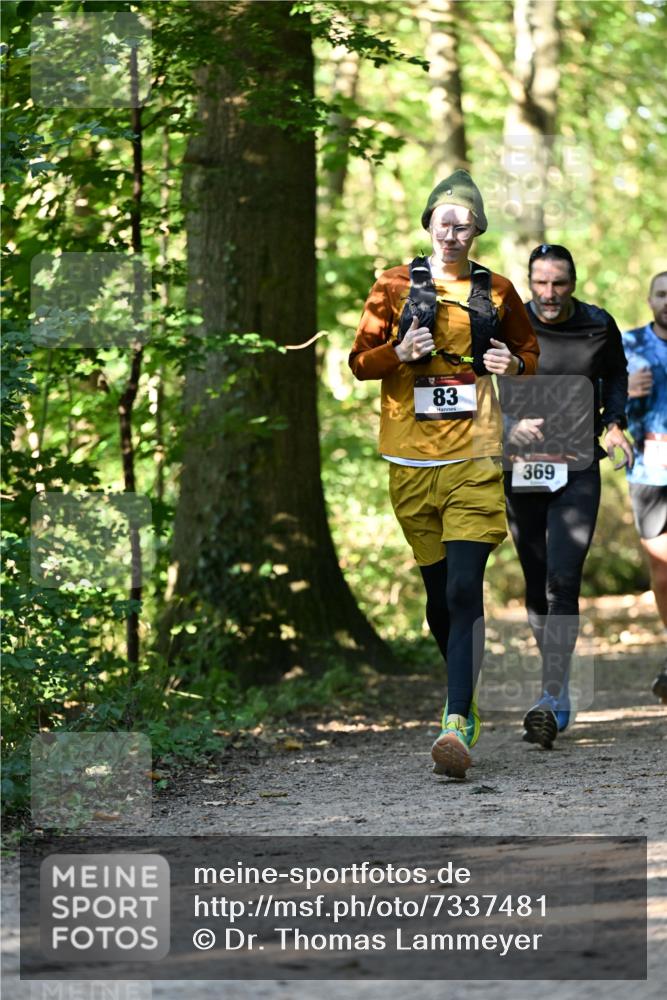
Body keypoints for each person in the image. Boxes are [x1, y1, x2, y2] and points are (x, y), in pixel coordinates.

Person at [349, 170, 539, 779]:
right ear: (429, 225)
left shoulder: (501, 290)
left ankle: (456, 720)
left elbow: (528, 357)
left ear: (478, 229)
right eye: (444, 221)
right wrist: (396, 354)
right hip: (408, 457)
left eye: (465, 222)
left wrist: (513, 364)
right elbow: (359, 363)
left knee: (464, 589)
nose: (454, 231)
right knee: (438, 599)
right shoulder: (392, 286)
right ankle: (466, 691)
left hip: (476, 456)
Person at [502, 244, 633, 749]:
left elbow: (615, 374)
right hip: (522, 470)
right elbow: (482, 382)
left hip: (578, 468)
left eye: (558, 283)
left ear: (573, 282)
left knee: (562, 581)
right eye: (540, 283)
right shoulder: (508, 325)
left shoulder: (599, 324)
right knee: (536, 585)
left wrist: (614, 423)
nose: (549, 294)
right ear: (529, 282)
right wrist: (509, 426)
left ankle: (551, 698)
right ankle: (554, 682)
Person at [622, 271, 667, 703]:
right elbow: (603, 401)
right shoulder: (629, 343)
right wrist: (627, 392)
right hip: (649, 469)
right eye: (662, 294)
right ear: (650, 298)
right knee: (662, 569)